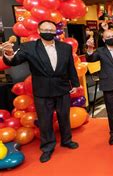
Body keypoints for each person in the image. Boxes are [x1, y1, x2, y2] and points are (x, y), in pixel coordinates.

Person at [2, 20, 80, 163]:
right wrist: (8, 54)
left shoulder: (65, 48)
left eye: (52, 30)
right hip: (42, 90)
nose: (49, 33)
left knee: (64, 116)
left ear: (56, 32)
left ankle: (66, 140)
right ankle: (47, 147)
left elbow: (71, 67)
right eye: (45, 30)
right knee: (45, 120)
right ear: (39, 31)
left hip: (62, 88)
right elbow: (14, 61)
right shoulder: (29, 47)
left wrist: (75, 83)